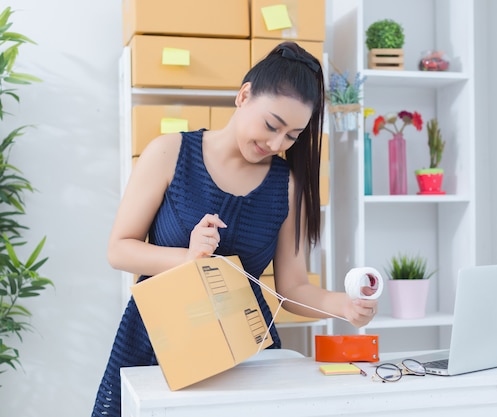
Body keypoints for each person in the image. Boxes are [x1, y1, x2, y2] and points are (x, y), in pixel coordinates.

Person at [91, 41, 378, 417]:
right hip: (159, 344)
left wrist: (343, 305)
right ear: (244, 96)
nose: (276, 144)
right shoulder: (169, 153)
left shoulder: (287, 185)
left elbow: (291, 289)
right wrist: (189, 258)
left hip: (246, 355)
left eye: (292, 136)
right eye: (271, 125)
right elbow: (119, 249)